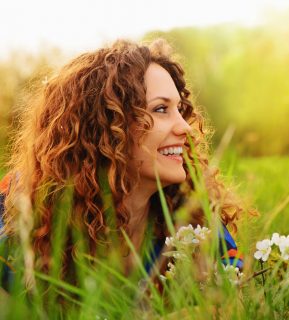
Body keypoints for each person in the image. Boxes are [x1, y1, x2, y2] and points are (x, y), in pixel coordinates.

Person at [0, 39, 249, 292]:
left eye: (180, 109)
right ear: (105, 127)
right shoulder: (18, 214)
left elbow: (235, 300)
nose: (184, 127)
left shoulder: (196, 216)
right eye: (161, 109)